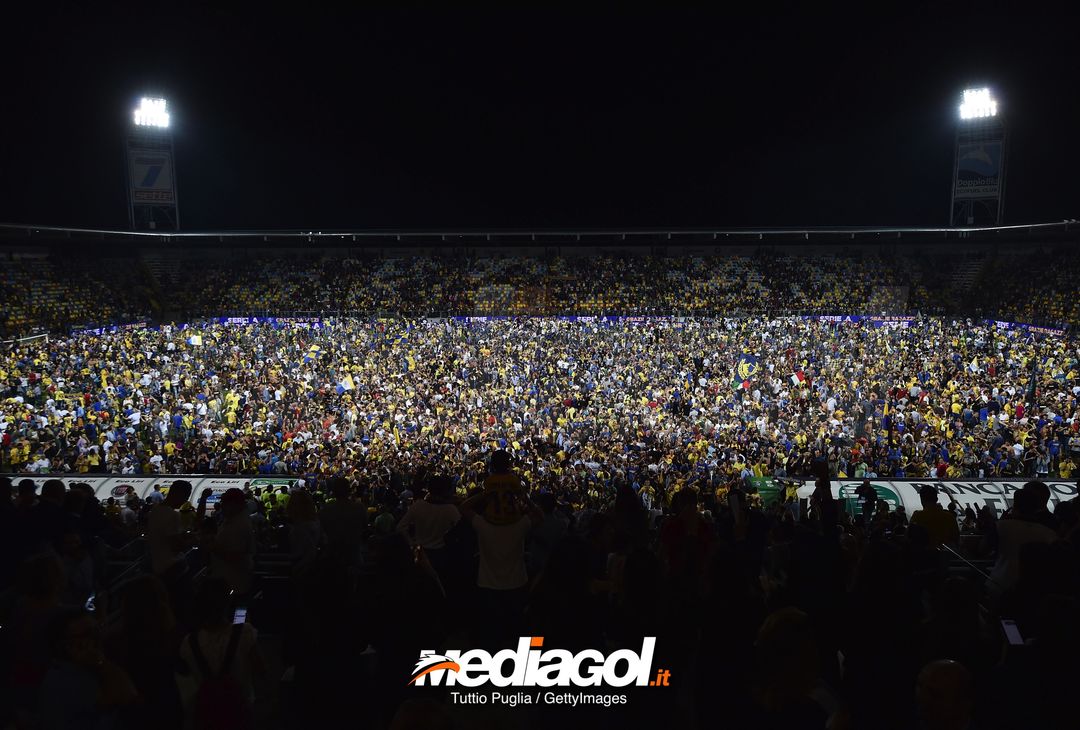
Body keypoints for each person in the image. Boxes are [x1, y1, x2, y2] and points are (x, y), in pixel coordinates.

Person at [177, 578, 265, 730]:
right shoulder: (244, 632)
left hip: (209, 713)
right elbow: (261, 670)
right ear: (227, 601)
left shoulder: (189, 643)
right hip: (241, 708)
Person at [208, 488, 255, 596]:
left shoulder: (239, 524)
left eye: (225, 502)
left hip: (233, 582)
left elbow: (235, 556)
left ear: (235, 504)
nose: (222, 505)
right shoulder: (233, 520)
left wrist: (212, 547)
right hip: (229, 580)